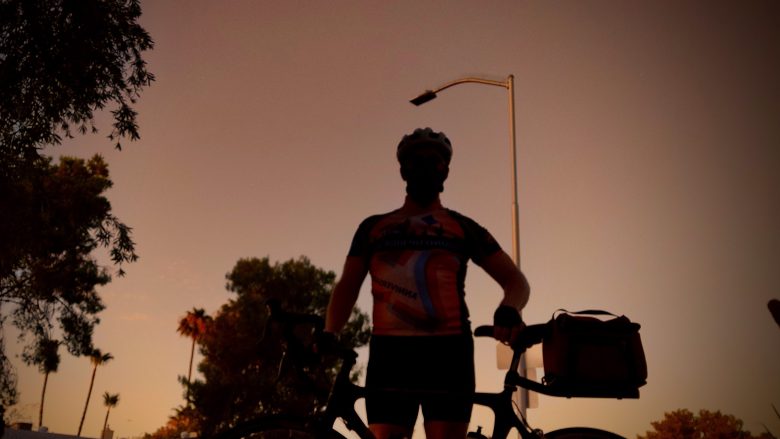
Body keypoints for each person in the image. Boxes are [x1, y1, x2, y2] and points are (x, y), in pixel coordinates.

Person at [325, 128, 530, 439]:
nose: (424, 166)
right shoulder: (372, 227)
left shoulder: (463, 227)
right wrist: (330, 332)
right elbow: (347, 286)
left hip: (448, 354)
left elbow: (515, 281)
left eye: (433, 160)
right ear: (403, 170)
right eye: (415, 160)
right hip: (390, 355)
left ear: (445, 170)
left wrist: (509, 309)